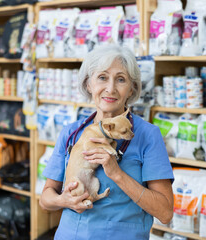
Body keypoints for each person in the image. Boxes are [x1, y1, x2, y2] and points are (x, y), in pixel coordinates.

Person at [40, 44, 174, 240]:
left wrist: (116, 174)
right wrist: (64, 200)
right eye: (102, 78)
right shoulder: (71, 133)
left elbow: (165, 213)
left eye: (121, 80)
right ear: (89, 84)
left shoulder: (148, 136)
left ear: (131, 89)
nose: (110, 89)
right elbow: (45, 200)